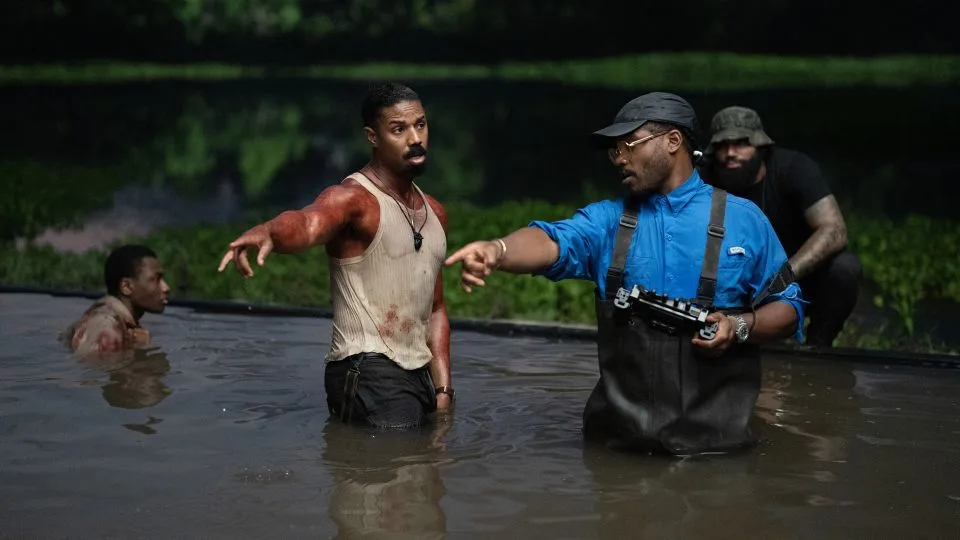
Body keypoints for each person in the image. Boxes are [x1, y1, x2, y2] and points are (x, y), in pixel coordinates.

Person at [446, 92, 806, 455]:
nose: (618, 159)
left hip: (718, 453)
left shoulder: (743, 221)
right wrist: (498, 249)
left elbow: (789, 310)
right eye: (613, 150)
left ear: (673, 141)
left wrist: (739, 326)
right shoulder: (608, 222)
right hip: (617, 450)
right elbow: (552, 240)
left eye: (628, 145)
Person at [217, 82, 452, 429]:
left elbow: (435, 309)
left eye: (420, 124)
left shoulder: (435, 212)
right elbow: (309, 223)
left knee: (423, 474)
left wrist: (444, 388)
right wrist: (271, 230)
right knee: (400, 467)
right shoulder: (353, 199)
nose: (415, 138)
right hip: (366, 368)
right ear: (373, 137)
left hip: (419, 375)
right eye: (398, 129)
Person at [700, 106, 862, 347]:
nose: (730, 153)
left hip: (796, 275)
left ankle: (818, 346)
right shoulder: (704, 177)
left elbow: (834, 229)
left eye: (741, 143)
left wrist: (784, 275)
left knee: (844, 269)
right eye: (722, 145)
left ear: (761, 146)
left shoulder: (793, 168)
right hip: (734, 281)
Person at [63, 244, 169, 357]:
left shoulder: (114, 319)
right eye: (156, 279)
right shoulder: (107, 327)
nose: (166, 287)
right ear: (126, 287)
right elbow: (90, 372)